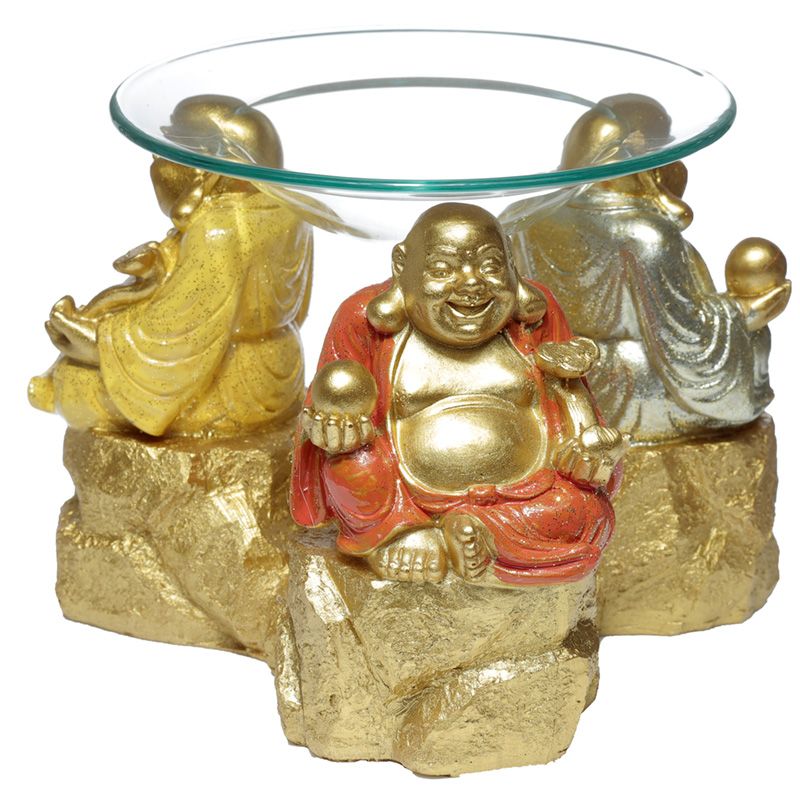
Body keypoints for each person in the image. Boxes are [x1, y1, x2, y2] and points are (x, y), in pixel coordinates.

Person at [291, 203, 627, 586]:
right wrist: (334, 428)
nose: (471, 285)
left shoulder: (535, 317)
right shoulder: (364, 318)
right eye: (442, 270)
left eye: (490, 266)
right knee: (351, 464)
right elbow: (327, 406)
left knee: (588, 513)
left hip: (527, 492)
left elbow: (571, 398)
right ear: (401, 266)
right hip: (404, 496)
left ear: (512, 263)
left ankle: (474, 537)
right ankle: (403, 534)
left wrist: (590, 451)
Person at [29, 95, 313, 437]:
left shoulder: (219, 229)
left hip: (225, 384)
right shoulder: (293, 211)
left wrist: (98, 343)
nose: (158, 168)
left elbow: (182, 336)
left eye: (164, 157)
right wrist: (164, 262)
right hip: (284, 370)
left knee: (75, 382)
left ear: (207, 168)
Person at [512, 94, 790, 442]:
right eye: (662, 150)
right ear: (638, 155)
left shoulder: (522, 218)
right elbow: (682, 340)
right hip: (622, 387)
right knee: (753, 341)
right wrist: (743, 312)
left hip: (545, 379)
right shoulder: (645, 237)